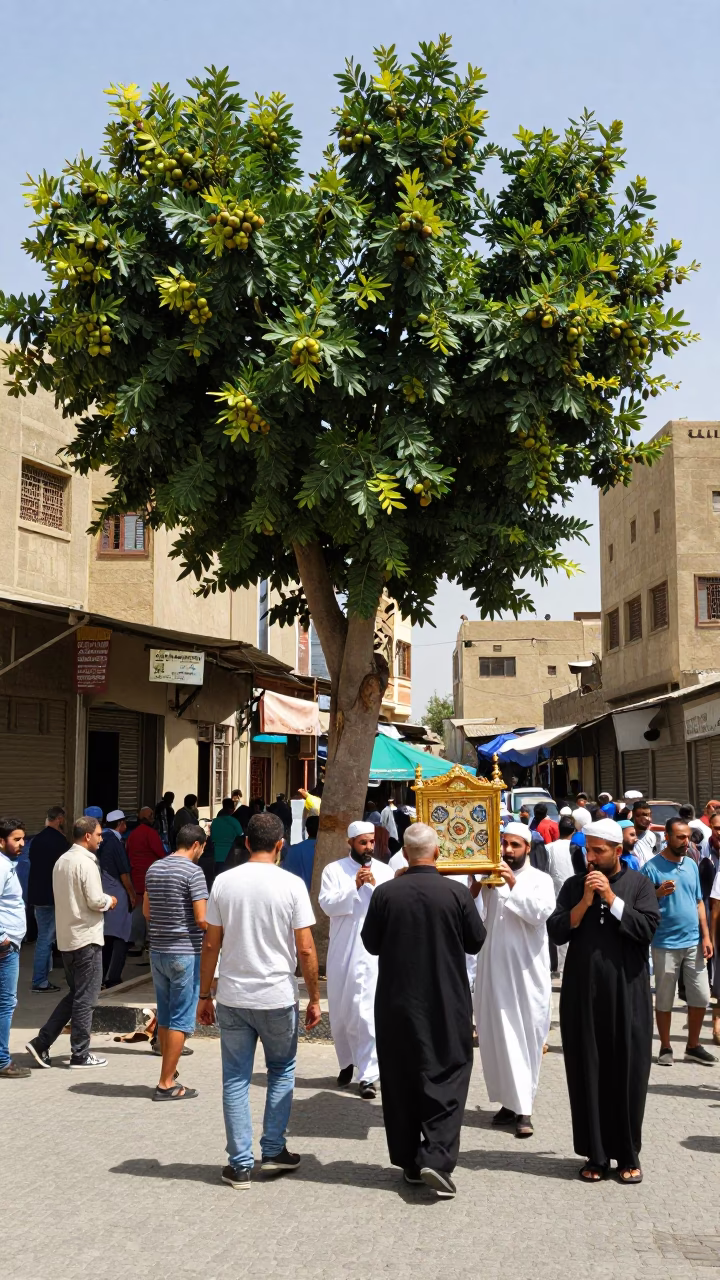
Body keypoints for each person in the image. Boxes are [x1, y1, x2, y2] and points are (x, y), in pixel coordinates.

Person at [361, 823, 486, 1199]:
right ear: (436, 853)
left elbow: (371, 944)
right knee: (446, 1072)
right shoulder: (456, 893)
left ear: (405, 854)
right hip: (445, 998)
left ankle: (408, 1160)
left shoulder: (385, 893)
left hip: (397, 1000)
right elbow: (476, 941)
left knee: (400, 1077)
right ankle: (435, 1155)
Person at [197, 812, 321, 1188]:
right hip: (277, 994)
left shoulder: (223, 882)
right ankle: (272, 1149)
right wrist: (314, 996)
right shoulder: (292, 885)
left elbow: (210, 943)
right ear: (280, 844)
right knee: (281, 1070)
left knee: (235, 1078)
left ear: (246, 842)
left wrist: (205, 993)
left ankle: (239, 1164)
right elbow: (306, 948)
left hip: (234, 995)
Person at [547, 817, 660, 1184]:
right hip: (583, 994)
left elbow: (645, 930)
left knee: (628, 1073)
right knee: (588, 1071)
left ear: (617, 851)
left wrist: (611, 899)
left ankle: (628, 1153)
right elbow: (557, 930)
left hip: (628, 994)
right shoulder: (574, 885)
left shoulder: (640, 885)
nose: (591, 858)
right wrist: (586, 900)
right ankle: (595, 1155)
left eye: (599, 851)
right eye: (587, 850)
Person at [472, 822, 556, 1139]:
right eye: (504, 844)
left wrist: (511, 884)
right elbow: (475, 917)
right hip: (494, 970)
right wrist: (477, 885)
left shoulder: (540, 880)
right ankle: (508, 1103)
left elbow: (538, 913)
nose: (508, 851)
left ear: (528, 848)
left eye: (514, 845)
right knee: (496, 1038)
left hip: (526, 975)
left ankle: (525, 1110)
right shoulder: (491, 880)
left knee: (526, 1039)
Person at [26, 816, 116, 1071]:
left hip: (67, 938)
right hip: (86, 938)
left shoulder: (63, 861)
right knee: (86, 998)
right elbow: (95, 900)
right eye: (98, 835)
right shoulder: (85, 862)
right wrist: (110, 900)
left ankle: (41, 1042)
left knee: (77, 994)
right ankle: (80, 1053)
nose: (100, 839)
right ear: (87, 836)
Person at [318, 821, 394, 1099]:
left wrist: (374, 887)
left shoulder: (384, 872)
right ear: (350, 843)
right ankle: (346, 1062)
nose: (369, 848)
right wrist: (354, 885)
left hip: (371, 952)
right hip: (342, 950)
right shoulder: (334, 870)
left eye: (372, 842)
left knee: (366, 1012)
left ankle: (368, 1075)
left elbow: (390, 908)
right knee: (341, 1011)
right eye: (363, 843)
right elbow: (327, 905)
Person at [641, 817, 716, 1067]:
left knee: (701, 996)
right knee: (664, 998)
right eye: (680, 837)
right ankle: (665, 1046)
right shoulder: (651, 868)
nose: (686, 842)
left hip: (694, 942)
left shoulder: (692, 864)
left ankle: (693, 1046)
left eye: (688, 837)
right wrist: (656, 893)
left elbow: (698, 902)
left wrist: (706, 937)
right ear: (668, 838)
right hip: (664, 943)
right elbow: (639, 905)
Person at [144, 823, 208, 1099]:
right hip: (184, 952)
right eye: (203, 848)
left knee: (167, 1015)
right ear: (196, 845)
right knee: (182, 1019)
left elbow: (146, 910)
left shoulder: (154, 868)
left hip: (157, 952)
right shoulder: (194, 872)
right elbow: (201, 918)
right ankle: (166, 1083)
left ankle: (167, 1073)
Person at [0, 818, 31, 1078]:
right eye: (16, 839)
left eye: (23, 838)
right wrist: (2, 939)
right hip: (4, 948)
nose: (22, 844)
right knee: (5, 1003)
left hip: (10, 944)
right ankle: (1, 1060)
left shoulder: (7, 865)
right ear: (1, 841)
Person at [27, 805, 69, 993]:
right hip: (51, 897)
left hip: (37, 895)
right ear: (59, 819)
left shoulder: (37, 840)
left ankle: (43, 974)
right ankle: (40, 980)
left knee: (44, 937)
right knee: (46, 938)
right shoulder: (60, 842)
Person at [98, 809, 136, 987]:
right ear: (120, 824)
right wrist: (131, 893)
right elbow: (124, 872)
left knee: (105, 937)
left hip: (100, 892)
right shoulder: (115, 842)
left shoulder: (100, 839)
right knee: (121, 935)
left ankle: (101, 975)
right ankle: (113, 977)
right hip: (116, 892)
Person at [126, 806, 166, 950]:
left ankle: (136, 941)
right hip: (151, 877)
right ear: (148, 818)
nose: (153, 818)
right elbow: (161, 853)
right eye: (151, 816)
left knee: (137, 909)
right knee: (151, 910)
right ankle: (150, 940)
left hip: (136, 877)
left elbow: (128, 853)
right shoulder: (151, 833)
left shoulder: (132, 835)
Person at [544, 815, 576, 975]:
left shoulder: (548, 848)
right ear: (574, 830)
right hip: (574, 896)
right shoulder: (578, 848)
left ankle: (559, 967)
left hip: (555, 896)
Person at [283, 813, 319, 892]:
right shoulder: (326, 851)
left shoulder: (293, 850)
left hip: (297, 895)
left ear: (306, 829)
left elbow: (285, 875)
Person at [211, 798, 244, 876]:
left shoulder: (215, 822)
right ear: (232, 809)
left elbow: (211, 837)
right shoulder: (235, 822)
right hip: (230, 857)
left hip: (216, 857)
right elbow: (241, 836)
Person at [632, 801, 659, 866]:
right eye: (644, 815)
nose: (648, 819)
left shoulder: (651, 835)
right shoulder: (624, 837)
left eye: (649, 815)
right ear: (634, 815)